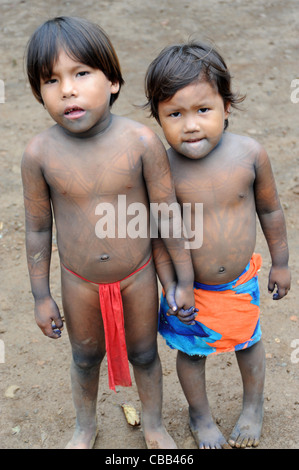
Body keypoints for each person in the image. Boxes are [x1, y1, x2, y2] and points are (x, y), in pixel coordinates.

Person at [21, 16, 195, 449]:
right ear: (38, 92)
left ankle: (153, 425)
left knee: (145, 353)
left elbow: (167, 217)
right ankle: (84, 426)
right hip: (78, 280)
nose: (67, 89)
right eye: (50, 80)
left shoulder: (141, 142)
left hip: (137, 274)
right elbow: (39, 228)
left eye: (81, 73)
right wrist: (41, 295)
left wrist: (184, 281)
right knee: (83, 357)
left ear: (113, 81)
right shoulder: (39, 154)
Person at [144, 41, 291, 449]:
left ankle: (253, 405)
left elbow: (271, 211)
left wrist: (281, 262)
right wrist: (172, 285)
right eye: (175, 114)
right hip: (189, 290)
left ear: (226, 106)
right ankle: (200, 415)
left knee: (249, 342)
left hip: (239, 281)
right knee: (191, 353)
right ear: (158, 118)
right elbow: (157, 234)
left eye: (202, 110)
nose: (190, 125)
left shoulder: (249, 154)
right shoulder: (162, 169)